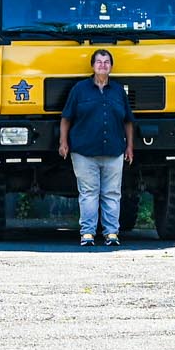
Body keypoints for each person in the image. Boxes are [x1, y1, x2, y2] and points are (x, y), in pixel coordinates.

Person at [58, 47, 136, 246]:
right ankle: (88, 233)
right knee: (89, 193)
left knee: (111, 193)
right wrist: (63, 142)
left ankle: (111, 234)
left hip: (114, 150)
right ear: (93, 66)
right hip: (84, 151)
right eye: (99, 62)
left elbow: (128, 121)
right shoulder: (79, 90)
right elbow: (66, 118)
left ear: (111, 66)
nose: (103, 65)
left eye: (106, 62)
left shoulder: (118, 91)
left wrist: (129, 147)